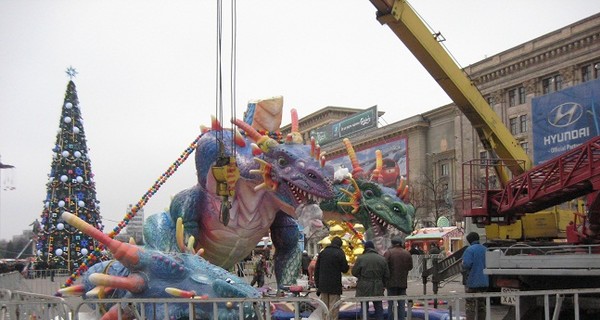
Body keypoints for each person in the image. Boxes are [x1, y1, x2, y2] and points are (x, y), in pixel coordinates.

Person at [352, 240, 389, 320]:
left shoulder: (361, 258)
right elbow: (387, 274)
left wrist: (361, 276)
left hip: (363, 286)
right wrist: (383, 284)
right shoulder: (381, 259)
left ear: (365, 248)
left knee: (364, 307)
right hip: (378, 285)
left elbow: (354, 272)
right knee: (378, 306)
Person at [315, 236, 349, 320]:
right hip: (334, 285)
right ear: (340, 245)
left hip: (323, 286)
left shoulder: (323, 253)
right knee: (333, 308)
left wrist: (318, 285)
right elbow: (344, 269)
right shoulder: (340, 252)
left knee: (324, 308)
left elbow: (317, 269)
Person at [384, 236, 413, 320]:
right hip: (402, 282)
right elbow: (410, 267)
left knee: (391, 304)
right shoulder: (407, 253)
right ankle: (401, 318)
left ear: (392, 243)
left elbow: (384, 266)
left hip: (391, 282)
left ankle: (391, 318)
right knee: (401, 303)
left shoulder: (388, 253)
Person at [462, 232, 489, 320]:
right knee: (481, 305)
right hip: (484, 282)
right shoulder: (485, 249)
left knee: (470, 305)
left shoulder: (469, 250)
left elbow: (466, 264)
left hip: (472, 282)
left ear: (469, 240)